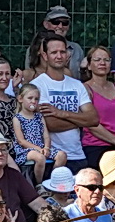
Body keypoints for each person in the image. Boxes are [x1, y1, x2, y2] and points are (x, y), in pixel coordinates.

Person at [29, 35, 97, 171]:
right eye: (54, 52)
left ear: (68, 54)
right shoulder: (37, 86)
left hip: (77, 156)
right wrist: (80, 120)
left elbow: (94, 119)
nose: (59, 56)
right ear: (45, 55)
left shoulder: (77, 85)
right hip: (50, 158)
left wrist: (61, 113)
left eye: (62, 52)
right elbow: (49, 124)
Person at [78, 44, 115, 171]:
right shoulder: (84, 89)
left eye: (106, 60)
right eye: (97, 60)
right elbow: (90, 123)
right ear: (89, 65)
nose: (103, 63)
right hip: (96, 145)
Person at [10, 82, 52, 179]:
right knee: (40, 158)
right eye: (30, 98)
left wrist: (46, 147)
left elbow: (46, 135)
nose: (33, 101)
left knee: (62, 155)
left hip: (42, 148)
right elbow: (21, 141)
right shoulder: (17, 118)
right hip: (25, 151)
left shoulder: (39, 116)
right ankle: (39, 183)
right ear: (20, 99)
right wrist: (38, 149)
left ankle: (51, 179)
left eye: (36, 99)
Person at [35, 6, 85, 75]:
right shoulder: (37, 47)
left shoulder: (77, 49)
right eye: (56, 22)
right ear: (46, 24)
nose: (60, 26)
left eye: (65, 23)